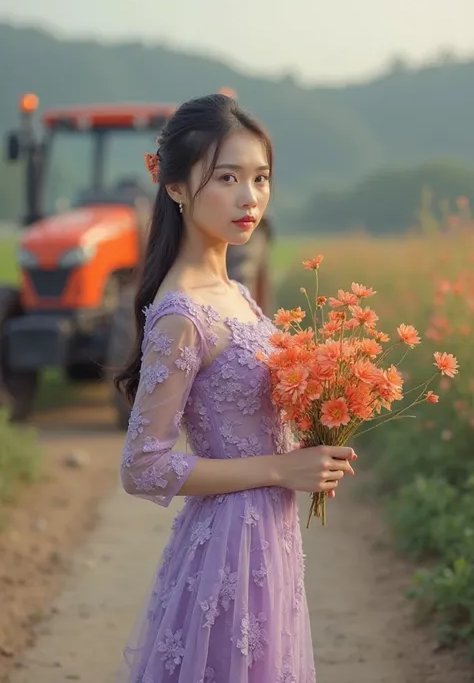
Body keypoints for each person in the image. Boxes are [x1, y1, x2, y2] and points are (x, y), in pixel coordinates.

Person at [114, 93, 357, 683]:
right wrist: (280, 469)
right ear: (175, 187)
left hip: (267, 539)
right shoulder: (183, 313)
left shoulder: (234, 291)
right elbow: (141, 467)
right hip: (226, 545)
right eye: (227, 178)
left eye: (260, 178)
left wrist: (323, 426)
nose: (250, 197)